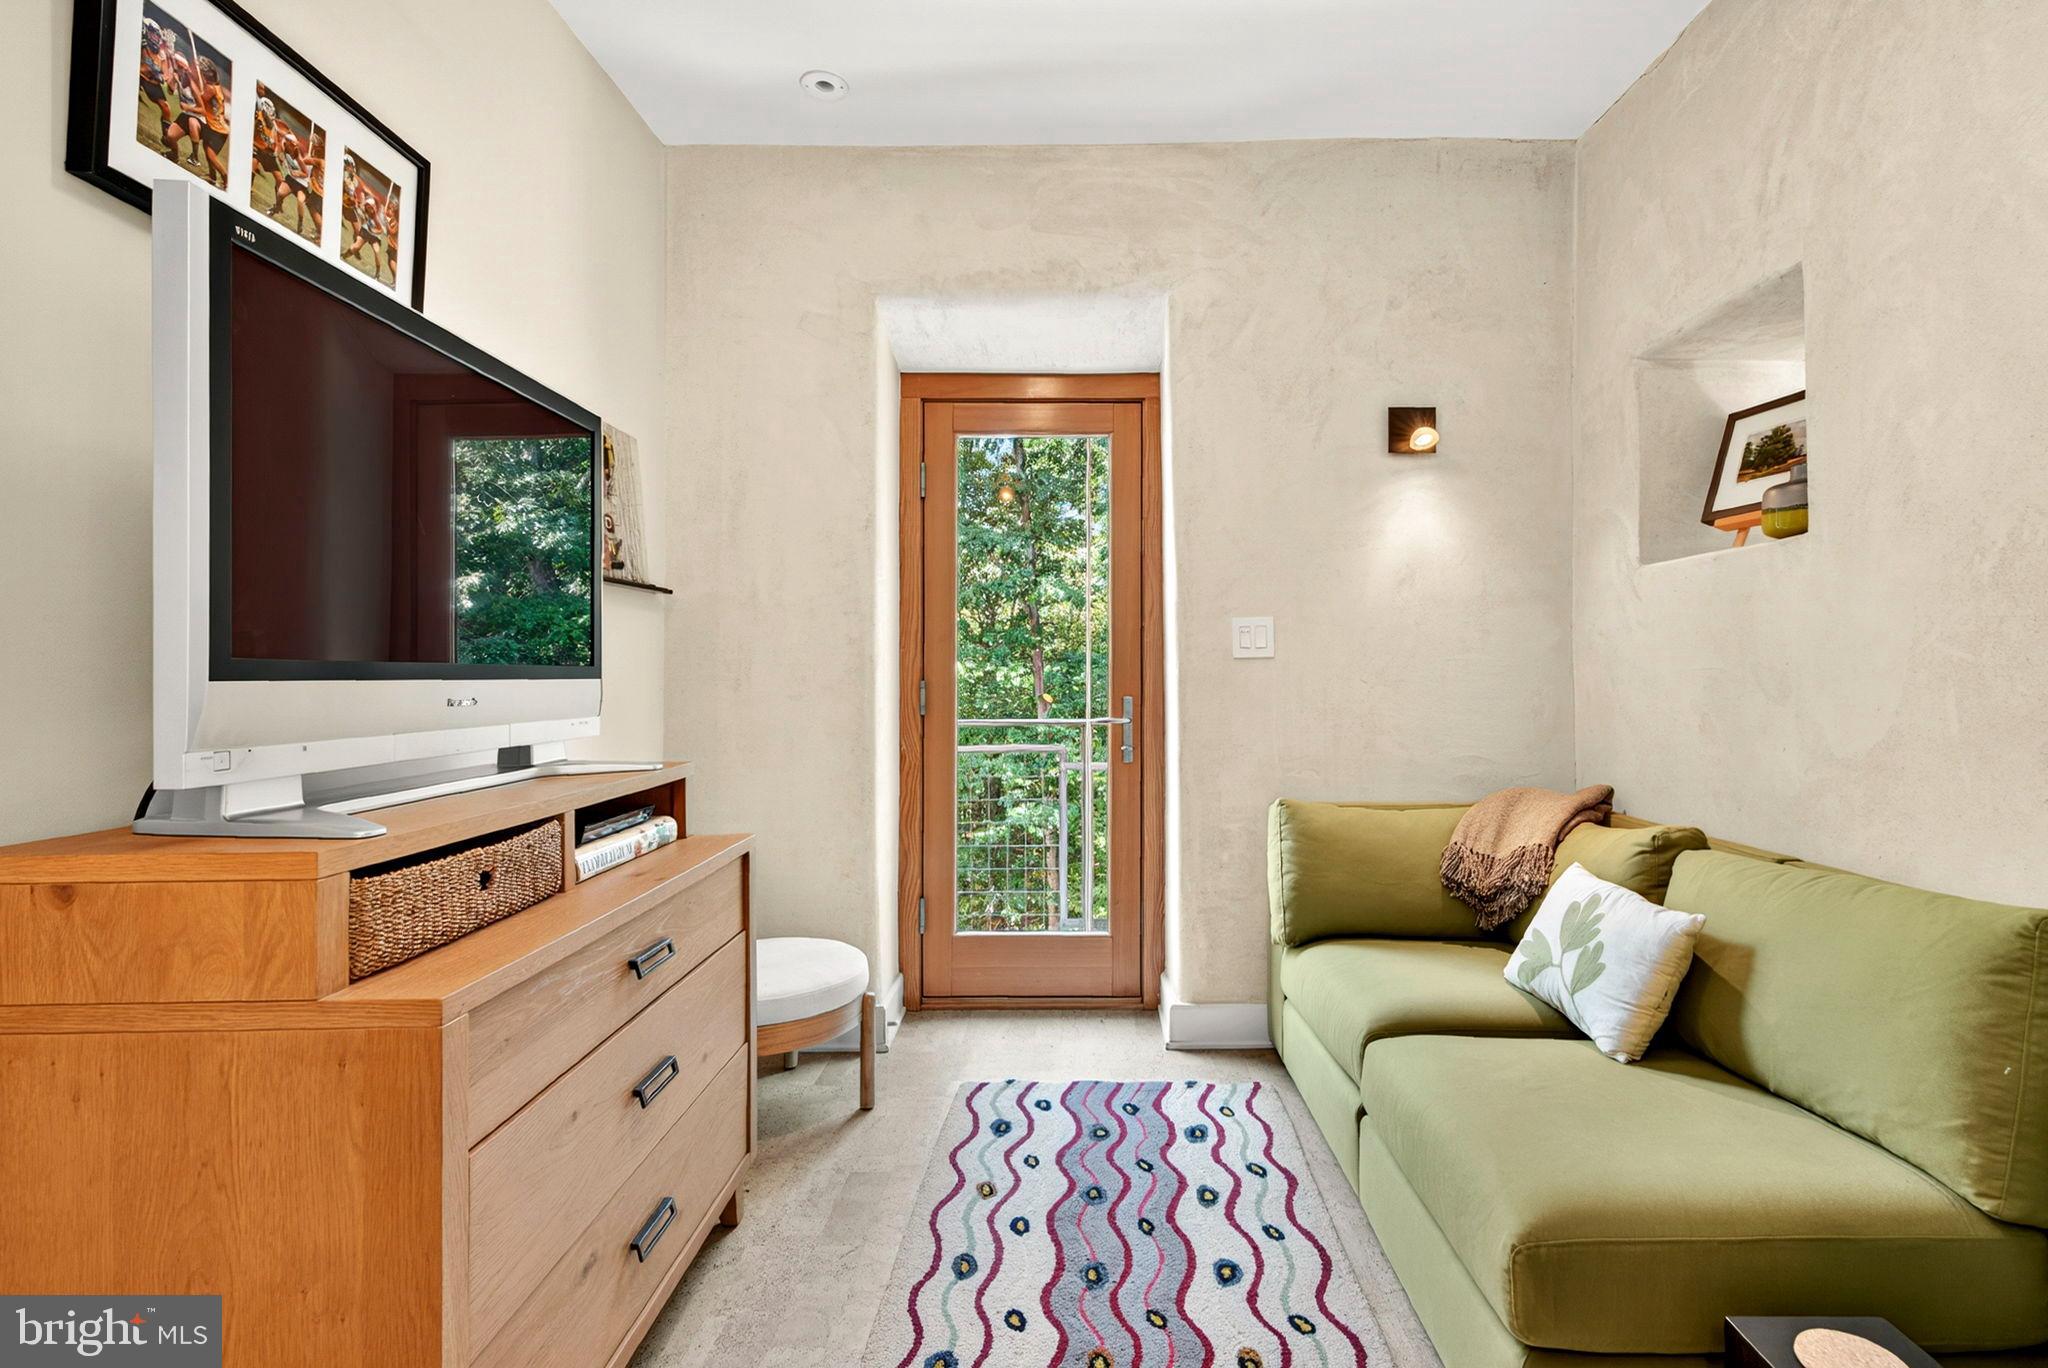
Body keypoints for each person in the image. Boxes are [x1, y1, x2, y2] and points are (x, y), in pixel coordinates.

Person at [193, 55, 230, 189]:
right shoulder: (216, 87)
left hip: (217, 128)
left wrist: (198, 86)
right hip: (215, 126)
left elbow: (201, 100)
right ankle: (212, 176)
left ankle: (225, 177)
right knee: (208, 151)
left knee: (210, 154)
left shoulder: (211, 88)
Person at [251, 94, 280, 209]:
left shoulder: (274, 126)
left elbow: (276, 143)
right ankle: (248, 188)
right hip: (258, 148)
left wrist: (276, 150)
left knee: (279, 179)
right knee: (252, 164)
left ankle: (279, 203)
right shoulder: (258, 117)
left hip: (268, 153)